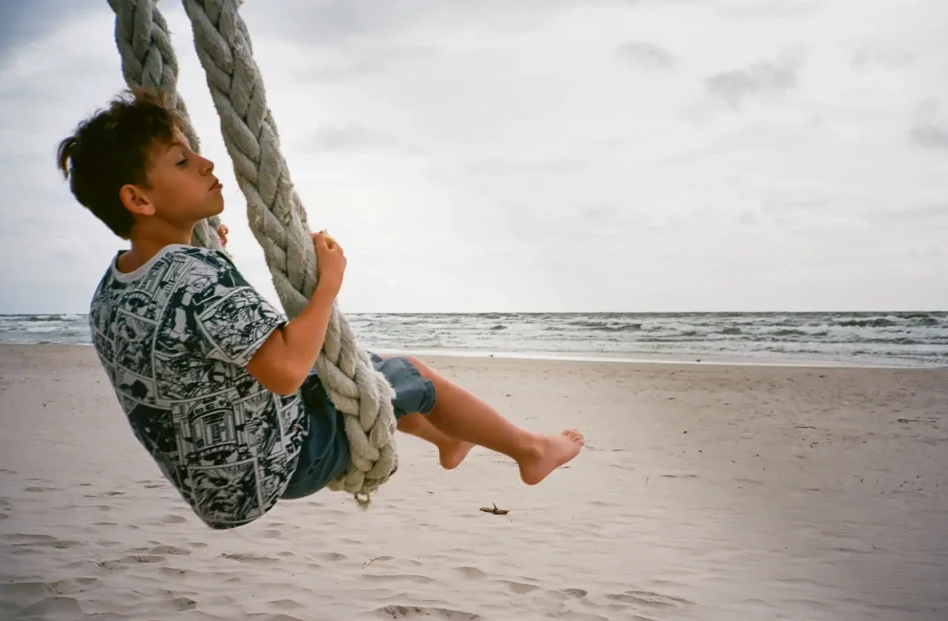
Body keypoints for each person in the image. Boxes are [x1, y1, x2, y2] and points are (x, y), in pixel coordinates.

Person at [56, 88, 584, 529]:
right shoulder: (199, 276)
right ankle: (530, 451)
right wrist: (326, 286)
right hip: (281, 465)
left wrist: (203, 250)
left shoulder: (115, 287)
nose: (207, 163)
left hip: (214, 484)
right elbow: (285, 372)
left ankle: (449, 439)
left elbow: (194, 349)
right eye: (181, 160)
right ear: (139, 200)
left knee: (362, 371)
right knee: (403, 374)